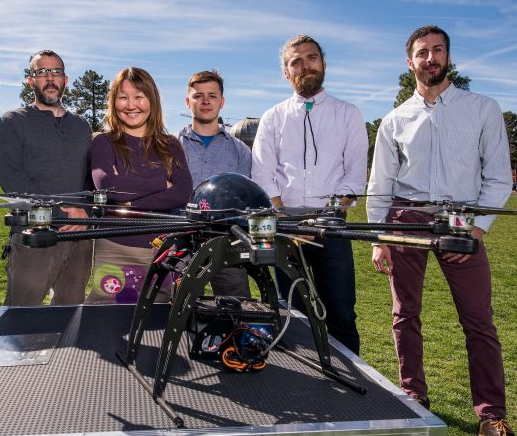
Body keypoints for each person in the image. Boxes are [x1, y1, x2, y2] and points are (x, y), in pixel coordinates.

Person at [366, 26, 514, 436]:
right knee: (404, 314)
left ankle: (491, 415)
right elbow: (380, 185)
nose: (430, 58)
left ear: (448, 57)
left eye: (437, 51)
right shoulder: (395, 119)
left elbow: (499, 177)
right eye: (421, 52)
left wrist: (478, 228)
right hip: (405, 220)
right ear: (409, 61)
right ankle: (413, 396)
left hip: (462, 222)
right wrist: (380, 237)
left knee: (478, 321)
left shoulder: (482, 108)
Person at [251, 34, 367, 355]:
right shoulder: (273, 117)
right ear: (286, 73)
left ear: (323, 64)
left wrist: (328, 213)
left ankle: (350, 377)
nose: (305, 66)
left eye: (311, 58)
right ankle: (304, 374)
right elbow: (263, 173)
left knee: (342, 312)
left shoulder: (348, 114)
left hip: (331, 227)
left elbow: (355, 175)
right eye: (296, 62)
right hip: (285, 230)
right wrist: (284, 217)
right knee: (293, 314)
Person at [0, 50, 93, 306]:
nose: (50, 77)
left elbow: (91, 179)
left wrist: (84, 211)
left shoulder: (82, 126)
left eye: (56, 71)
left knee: (70, 313)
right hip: (35, 235)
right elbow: (13, 181)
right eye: (41, 72)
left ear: (65, 80)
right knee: (22, 315)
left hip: (78, 236)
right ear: (31, 81)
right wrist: (60, 211)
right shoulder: (13, 121)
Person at [86, 67, 192, 304]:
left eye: (139, 97)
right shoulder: (104, 142)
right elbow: (107, 185)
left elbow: (182, 193)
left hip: (160, 249)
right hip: (115, 245)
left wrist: (128, 200)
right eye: (123, 97)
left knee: (157, 316)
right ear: (114, 103)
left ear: (151, 101)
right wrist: (160, 183)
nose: (131, 105)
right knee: (107, 314)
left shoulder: (170, 145)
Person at [176, 69, 252, 297]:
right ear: (188, 102)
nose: (205, 101)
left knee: (236, 307)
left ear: (222, 102)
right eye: (198, 96)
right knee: (178, 309)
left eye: (212, 95)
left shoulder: (240, 151)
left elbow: (244, 199)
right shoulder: (170, 146)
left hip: (225, 242)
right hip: (180, 240)